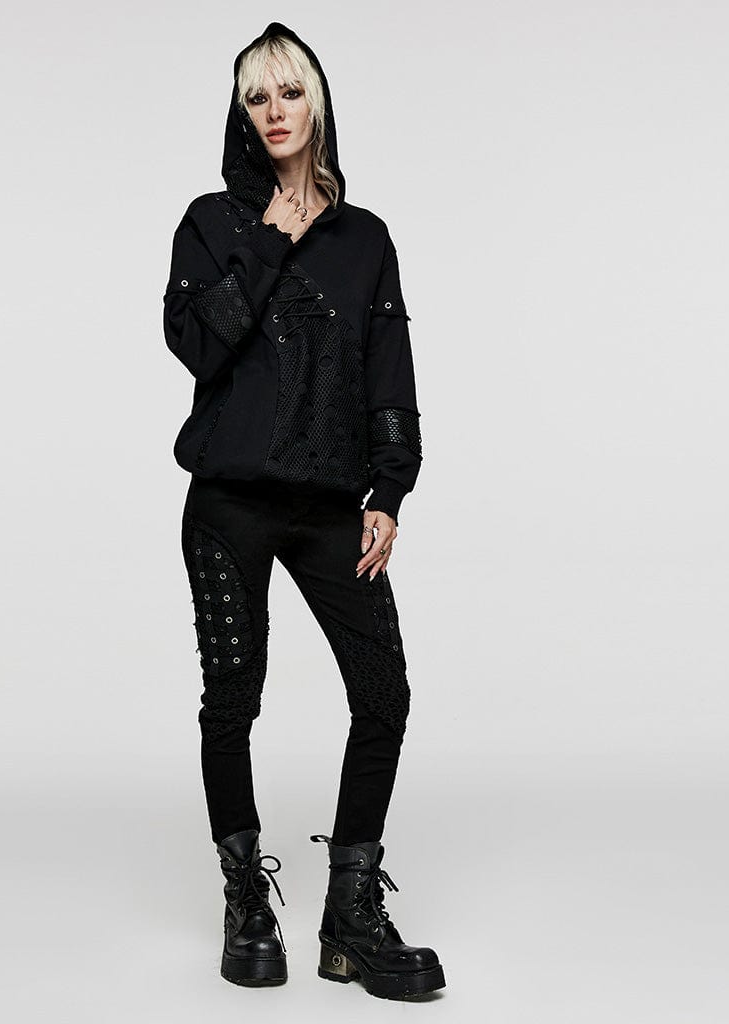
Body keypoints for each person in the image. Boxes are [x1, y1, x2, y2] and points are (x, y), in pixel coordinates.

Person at [162, 22, 446, 999]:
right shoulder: (212, 223)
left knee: (384, 694)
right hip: (229, 502)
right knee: (232, 697)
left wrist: (389, 489)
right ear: (240, 114)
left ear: (316, 103)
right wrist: (269, 240)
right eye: (257, 97)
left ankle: (349, 918)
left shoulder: (365, 239)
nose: (274, 111)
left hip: (330, 504)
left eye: (289, 92)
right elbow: (198, 346)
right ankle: (245, 900)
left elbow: (387, 368)